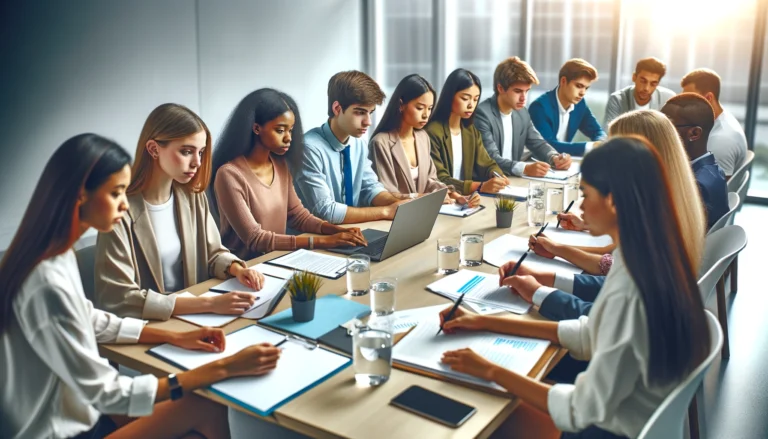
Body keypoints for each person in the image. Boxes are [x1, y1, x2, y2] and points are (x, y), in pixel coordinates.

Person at [0, 134, 281, 439]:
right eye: (116, 193)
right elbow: (108, 392)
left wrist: (173, 336)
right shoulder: (46, 284)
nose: (124, 204)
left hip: (79, 414)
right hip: (62, 431)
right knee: (205, 404)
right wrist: (223, 368)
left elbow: (91, 320)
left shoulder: (55, 256)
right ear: (80, 195)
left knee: (194, 419)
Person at [440, 137, 711, 439]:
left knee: (477, 411)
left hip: (605, 432)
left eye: (585, 194)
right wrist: (484, 321)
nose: (581, 205)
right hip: (629, 419)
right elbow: (590, 334)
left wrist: (491, 370)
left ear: (613, 200)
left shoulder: (631, 287)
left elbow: (577, 411)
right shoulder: (647, 254)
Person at [526, 109, 707, 321]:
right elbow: (613, 268)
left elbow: (602, 321)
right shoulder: (672, 205)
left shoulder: (656, 227)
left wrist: (539, 292)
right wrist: (552, 266)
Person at [95, 103, 265, 321]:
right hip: (151, 326)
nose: (197, 162)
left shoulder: (192, 197)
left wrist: (237, 270)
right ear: (154, 149)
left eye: (200, 152)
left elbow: (212, 254)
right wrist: (209, 304)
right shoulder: (118, 212)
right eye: (186, 152)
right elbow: (118, 298)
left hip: (195, 317)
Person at [211, 88, 367, 260]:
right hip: (246, 268)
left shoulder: (280, 165)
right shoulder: (229, 175)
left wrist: (335, 230)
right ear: (256, 128)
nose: (288, 138)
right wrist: (325, 241)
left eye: (290, 130)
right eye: (280, 130)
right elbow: (255, 239)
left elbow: (298, 216)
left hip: (278, 260)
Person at [293, 70, 408, 225]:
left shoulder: (358, 144)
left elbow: (370, 188)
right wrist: (386, 211)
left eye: (370, 112)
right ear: (337, 108)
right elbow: (326, 211)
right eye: (360, 112)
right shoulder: (308, 148)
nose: (368, 122)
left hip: (351, 230)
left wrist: (398, 203)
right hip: (315, 235)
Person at [369, 74, 477, 207]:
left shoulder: (423, 137)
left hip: (425, 210)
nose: (426, 115)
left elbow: (430, 180)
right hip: (397, 214)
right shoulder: (381, 143)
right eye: (420, 108)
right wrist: (424, 198)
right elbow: (387, 193)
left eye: (430, 108)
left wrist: (455, 195)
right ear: (401, 105)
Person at [475, 56, 572, 177]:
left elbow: (538, 143)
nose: (523, 98)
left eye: (527, 91)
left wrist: (555, 157)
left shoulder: (522, 112)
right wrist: (524, 168)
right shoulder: (482, 114)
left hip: (513, 181)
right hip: (488, 182)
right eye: (518, 91)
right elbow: (490, 158)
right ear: (500, 88)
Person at [426, 68, 509, 195]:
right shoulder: (432, 132)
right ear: (450, 96)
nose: (471, 105)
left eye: (475, 99)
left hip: (467, 199)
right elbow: (439, 178)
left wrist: (496, 175)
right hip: (444, 199)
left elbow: (487, 163)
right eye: (465, 98)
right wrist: (480, 186)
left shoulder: (470, 131)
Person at [662, 93, 730, 229]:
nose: (659, 133)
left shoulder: (697, 186)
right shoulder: (710, 170)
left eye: (666, 127)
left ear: (694, 133)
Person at [529, 58, 607, 156]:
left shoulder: (579, 105)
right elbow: (547, 145)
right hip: (536, 161)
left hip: (563, 162)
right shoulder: (540, 107)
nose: (583, 93)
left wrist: (601, 143)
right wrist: (591, 146)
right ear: (563, 81)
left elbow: (597, 131)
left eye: (586, 88)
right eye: (579, 86)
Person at [681, 68, 747, 177]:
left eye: (689, 99)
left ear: (708, 98)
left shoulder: (720, 140)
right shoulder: (722, 117)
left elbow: (715, 187)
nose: (684, 106)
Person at [603, 57, 675, 127]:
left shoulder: (668, 99)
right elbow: (609, 131)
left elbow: (673, 130)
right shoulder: (617, 99)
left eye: (653, 84)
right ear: (634, 77)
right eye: (643, 81)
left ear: (658, 84)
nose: (646, 88)